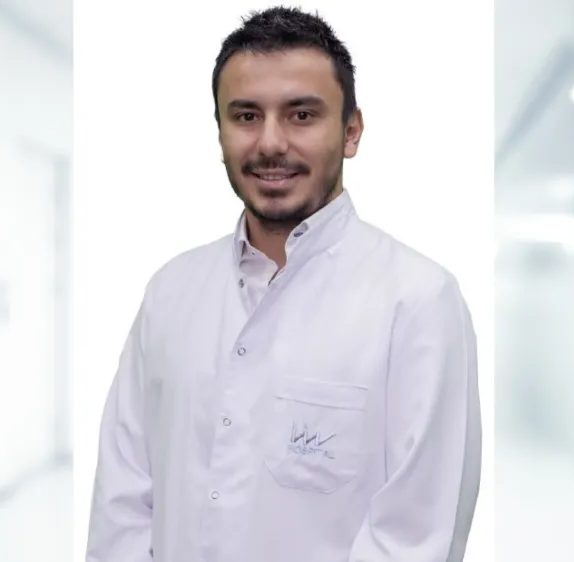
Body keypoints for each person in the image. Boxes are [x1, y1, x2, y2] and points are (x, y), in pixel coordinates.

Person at [87, 6, 482, 562]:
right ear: (220, 131)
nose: (270, 143)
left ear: (351, 131)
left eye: (301, 115)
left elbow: (415, 536)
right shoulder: (171, 291)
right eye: (246, 116)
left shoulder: (417, 300)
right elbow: (123, 500)